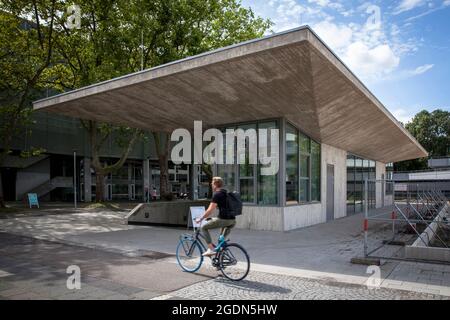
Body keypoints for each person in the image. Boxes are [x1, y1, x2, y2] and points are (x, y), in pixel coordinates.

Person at [195, 177, 236, 257]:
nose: (211, 185)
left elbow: (210, 210)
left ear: (215, 185)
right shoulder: (226, 193)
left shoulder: (217, 194)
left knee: (204, 227)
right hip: (232, 220)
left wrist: (201, 218)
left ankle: (210, 249)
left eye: (212, 183)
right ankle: (220, 260)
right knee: (220, 241)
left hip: (224, 219)